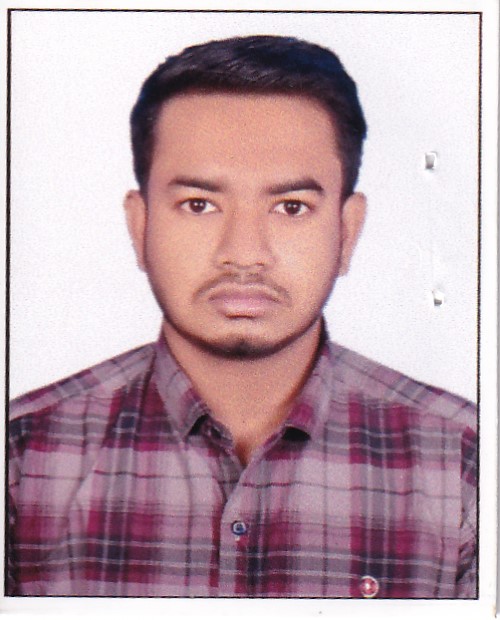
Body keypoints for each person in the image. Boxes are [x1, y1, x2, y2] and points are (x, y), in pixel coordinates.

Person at [8, 35, 477, 599]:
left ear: (347, 232)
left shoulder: (465, 465)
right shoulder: (21, 457)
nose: (245, 253)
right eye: (200, 205)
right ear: (140, 226)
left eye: (291, 207)